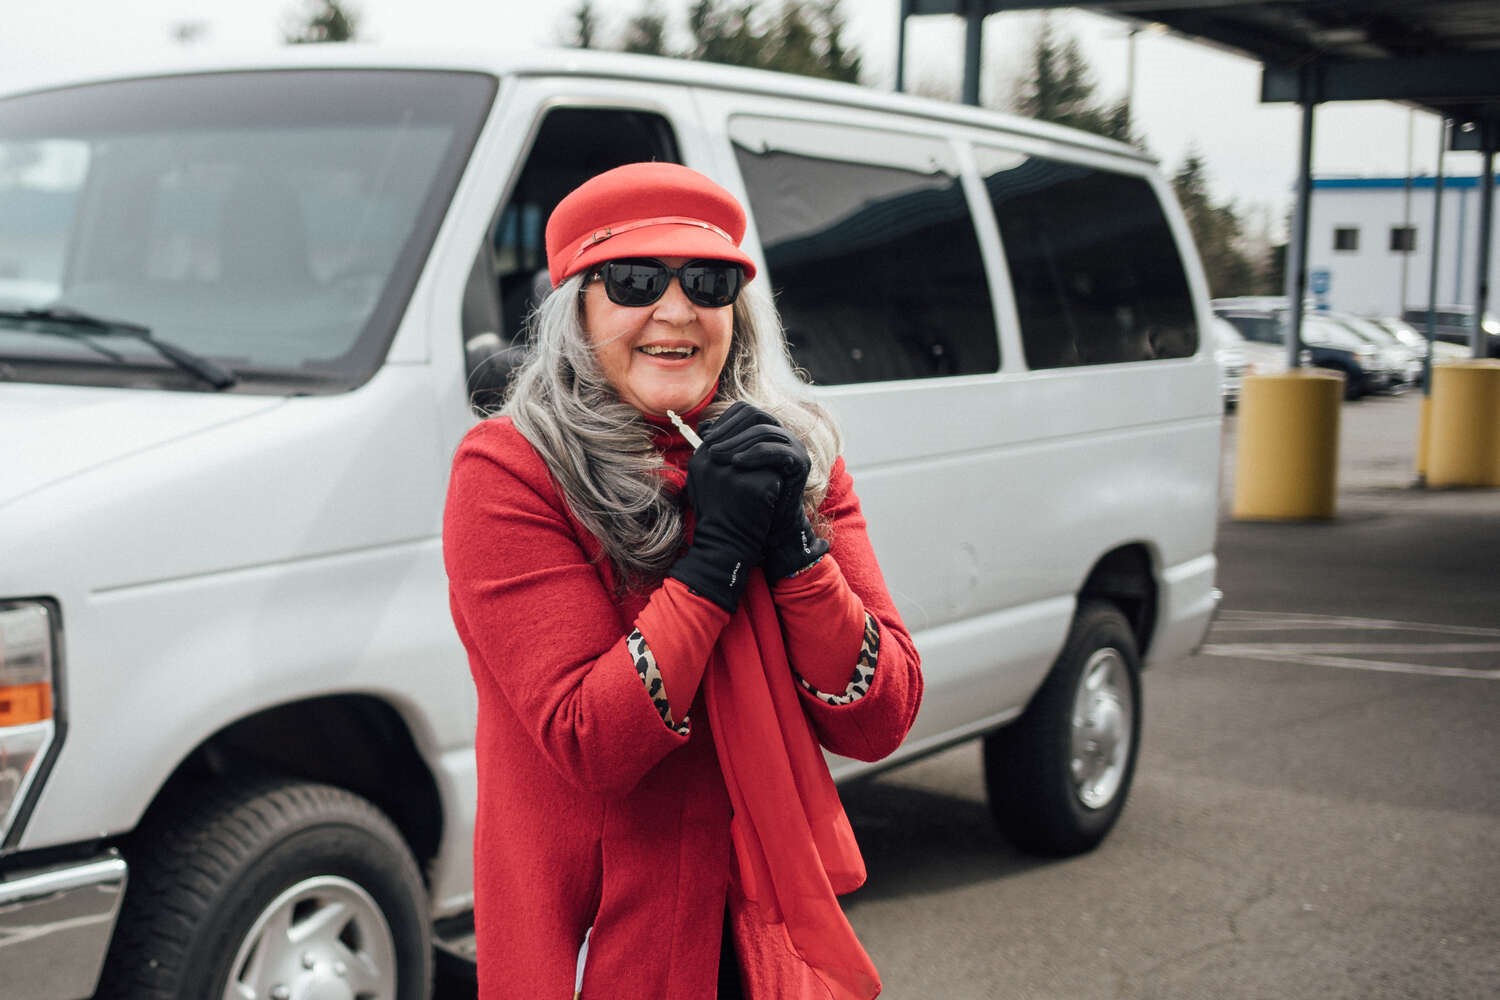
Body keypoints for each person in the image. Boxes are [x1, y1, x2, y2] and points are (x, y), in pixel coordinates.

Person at [443, 161, 923, 1000]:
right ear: (577, 310)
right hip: (604, 948)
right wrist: (713, 569)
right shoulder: (510, 471)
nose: (674, 310)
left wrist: (794, 551)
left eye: (705, 281)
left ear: (736, 312)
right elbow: (588, 740)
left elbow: (880, 716)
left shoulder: (795, 459)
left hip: (758, 935)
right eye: (631, 281)